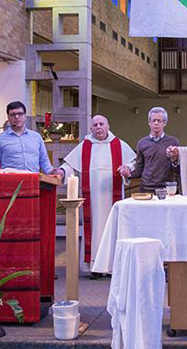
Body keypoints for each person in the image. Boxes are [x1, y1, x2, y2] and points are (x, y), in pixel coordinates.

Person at [59, 115, 135, 274]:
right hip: (92, 198)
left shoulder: (119, 145)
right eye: (95, 125)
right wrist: (61, 171)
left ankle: (112, 267)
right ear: (91, 128)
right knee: (93, 229)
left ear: (108, 126)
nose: (98, 127)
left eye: (101, 124)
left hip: (112, 197)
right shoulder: (85, 146)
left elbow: (132, 164)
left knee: (112, 228)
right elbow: (69, 165)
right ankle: (93, 266)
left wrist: (127, 170)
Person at [0, 102, 62, 179]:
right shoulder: (0, 139)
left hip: (33, 181)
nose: (17, 117)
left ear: (25, 116)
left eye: (20, 114)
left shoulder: (36, 137)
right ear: (8, 118)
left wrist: (52, 171)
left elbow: (44, 161)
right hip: (10, 181)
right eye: (13, 115)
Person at [118, 107, 179, 193]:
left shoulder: (173, 142)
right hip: (146, 188)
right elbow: (140, 167)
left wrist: (174, 159)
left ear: (164, 123)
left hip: (167, 188)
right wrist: (128, 173)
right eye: (153, 120)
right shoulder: (142, 143)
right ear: (149, 123)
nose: (156, 123)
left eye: (159, 121)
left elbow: (178, 169)